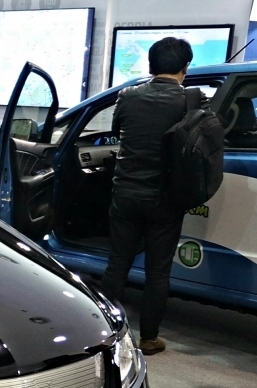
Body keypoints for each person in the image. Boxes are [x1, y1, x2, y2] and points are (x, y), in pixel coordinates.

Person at [100, 37, 206, 355]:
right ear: (185, 68)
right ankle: (148, 339)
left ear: (150, 65)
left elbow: (117, 132)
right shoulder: (192, 99)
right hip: (165, 200)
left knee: (117, 264)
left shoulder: (128, 96)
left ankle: (106, 333)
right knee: (157, 272)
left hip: (125, 193)